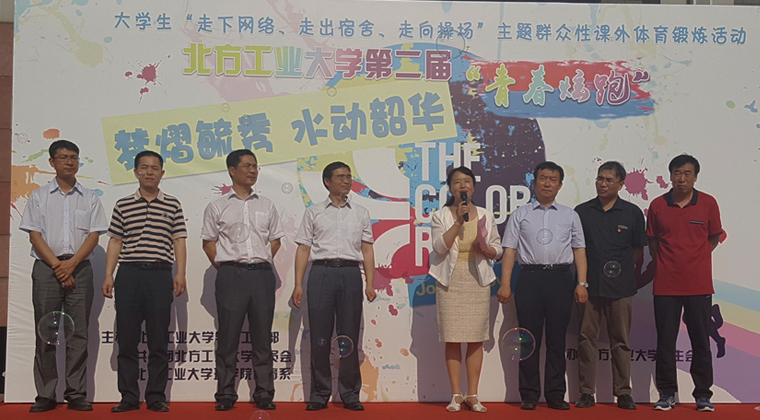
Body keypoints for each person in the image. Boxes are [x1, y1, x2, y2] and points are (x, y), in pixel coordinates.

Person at [20, 140, 108, 412]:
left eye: (74, 157)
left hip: (79, 269)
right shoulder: (39, 196)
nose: (69, 162)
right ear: (52, 162)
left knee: (78, 333)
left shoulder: (90, 197)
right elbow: (35, 235)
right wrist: (58, 266)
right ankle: (45, 394)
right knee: (46, 331)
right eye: (63, 157)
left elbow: (93, 236)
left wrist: (71, 265)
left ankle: (76, 393)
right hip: (47, 269)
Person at [497, 161, 588, 411]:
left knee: (557, 340)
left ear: (560, 185)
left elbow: (579, 250)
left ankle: (556, 394)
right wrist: (505, 284)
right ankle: (529, 394)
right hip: (530, 278)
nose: (547, 183)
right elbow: (509, 250)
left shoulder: (570, 215)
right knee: (528, 340)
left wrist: (581, 283)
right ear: (534, 181)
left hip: (561, 279)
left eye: (552, 179)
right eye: (543, 178)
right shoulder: (520, 214)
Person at [102, 150, 188, 413]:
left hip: (160, 274)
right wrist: (109, 274)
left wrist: (181, 273)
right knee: (127, 340)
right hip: (129, 274)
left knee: (158, 341)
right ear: (136, 172)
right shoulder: (123, 204)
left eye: (155, 168)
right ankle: (128, 397)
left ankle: (155, 396)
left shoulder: (172, 204)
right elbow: (115, 241)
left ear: (162, 172)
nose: (149, 172)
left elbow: (179, 240)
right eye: (144, 167)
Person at [201, 150, 284, 412]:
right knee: (228, 338)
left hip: (261, 275)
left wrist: (258, 260)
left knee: (262, 338)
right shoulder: (218, 206)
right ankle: (225, 394)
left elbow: (275, 240)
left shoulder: (267, 205)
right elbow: (209, 242)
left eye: (255, 166)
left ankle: (264, 393)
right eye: (247, 166)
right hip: (231, 276)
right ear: (231, 170)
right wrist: (228, 265)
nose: (253, 170)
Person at [291, 161, 377, 411]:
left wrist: (370, 283)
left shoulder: (361, 212)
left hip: (350, 273)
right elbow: (303, 249)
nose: (346, 181)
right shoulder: (314, 212)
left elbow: (367, 249)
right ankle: (319, 393)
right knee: (319, 335)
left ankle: (350, 393)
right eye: (340, 177)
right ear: (327, 182)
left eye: (349, 176)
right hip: (321, 273)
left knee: (348, 335)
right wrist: (298, 284)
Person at [646, 154, 722, 412]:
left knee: (700, 341)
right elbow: (653, 242)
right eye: (677, 173)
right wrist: (670, 263)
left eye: (687, 173)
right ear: (670, 176)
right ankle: (666, 393)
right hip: (666, 285)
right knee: (665, 342)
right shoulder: (657, 205)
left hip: (699, 285)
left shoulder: (708, 203)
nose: (681, 178)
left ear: (695, 177)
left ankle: (703, 395)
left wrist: (694, 260)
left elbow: (713, 238)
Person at [429, 166, 503, 413]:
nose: (463, 185)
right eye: (457, 182)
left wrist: (488, 250)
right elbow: (439, 247)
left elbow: (497, 249)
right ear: (450, 188)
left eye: (467, 181)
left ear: (473, 187)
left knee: (475, 338)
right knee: (452, 337)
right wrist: (458, 222)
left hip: (477, 279)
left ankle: (473, 394)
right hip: (450, 280)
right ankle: (455, 395)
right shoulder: (441, 216)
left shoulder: (485, 214)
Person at [574, 161, 645, 410]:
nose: (602, 184)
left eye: (609, 180)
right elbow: (577, 249)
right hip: (588, 286)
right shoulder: (582, 212)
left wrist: (620, 271)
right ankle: (586, 392)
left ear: (621, 184)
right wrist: (582, 282)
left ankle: (623, 392)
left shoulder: (632, 213)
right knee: (586, 339)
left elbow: (637, 250)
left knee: (621, 340)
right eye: (599, 179)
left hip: (621, 288)